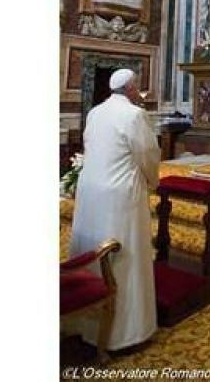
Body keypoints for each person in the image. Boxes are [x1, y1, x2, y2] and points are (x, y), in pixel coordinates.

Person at [69, 68, 160, 351]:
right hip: (120, 193)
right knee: (125, 255)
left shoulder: (96, 112)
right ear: (131, 89)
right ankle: (126, 332)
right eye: (137, 87)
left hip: (91, 188)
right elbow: (147, 153)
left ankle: (86, 324)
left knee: (94, 248)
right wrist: (153, 181)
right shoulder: (134, 115)